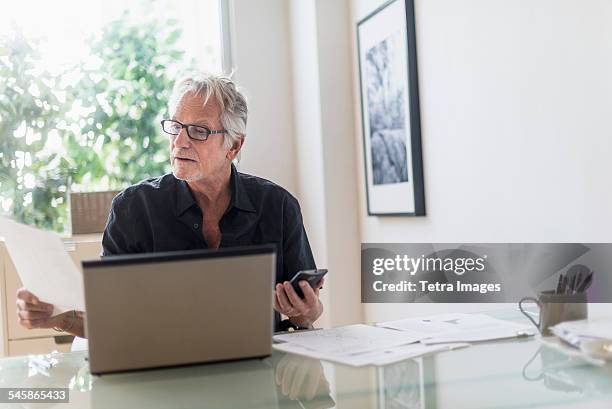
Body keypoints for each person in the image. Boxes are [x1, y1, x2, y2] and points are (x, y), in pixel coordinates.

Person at [16, 73, 324, 337]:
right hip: (161, 377)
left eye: (199, 131)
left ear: (234, 145)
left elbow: (307, 312)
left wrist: (305, 312)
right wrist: (61, 317)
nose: (180, 141)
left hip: (257, 376)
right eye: (176, 126)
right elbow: (110, 319)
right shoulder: (133, 208)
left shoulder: (278, 206)